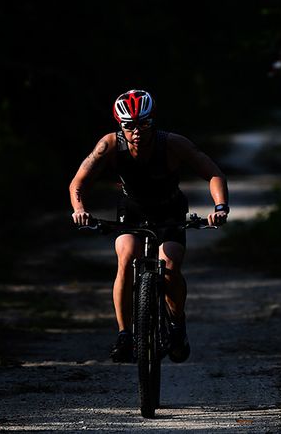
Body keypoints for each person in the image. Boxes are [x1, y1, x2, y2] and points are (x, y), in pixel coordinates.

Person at [69, 89, 229, 363]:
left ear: (153, 121)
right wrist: (80, 210)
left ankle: (177, 326)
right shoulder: (109, 145)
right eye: (129, 125)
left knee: (169, 263)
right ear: (120, 125)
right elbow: (78, 182)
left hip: (170, 209)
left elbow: (213, 173)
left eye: (144, 123)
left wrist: (220, 207)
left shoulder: (173, 144)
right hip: (132, 210)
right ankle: (125, 335)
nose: (137, 131)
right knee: (126, 255)